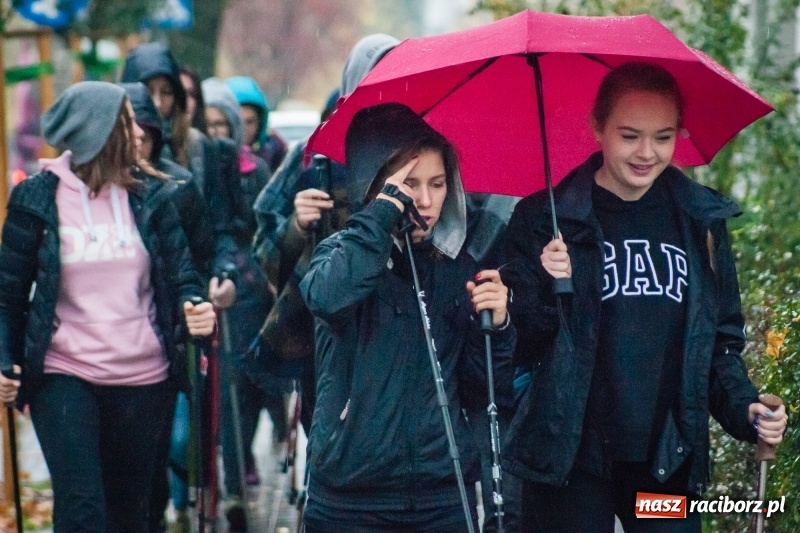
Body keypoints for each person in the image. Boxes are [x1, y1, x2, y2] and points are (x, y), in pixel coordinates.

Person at [501, 62, 788, 532]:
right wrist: (540, 280)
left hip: (663, 467)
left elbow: (718, 342)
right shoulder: (546, 218)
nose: (647, 153)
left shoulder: (700, 221)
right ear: (598, 126)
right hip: (570, 467)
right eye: (630, 135)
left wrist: (745, 408)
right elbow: (518, 347)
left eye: (664, 136)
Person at [0, 81, 216, 532]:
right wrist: (4, 360)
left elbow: (183, 276)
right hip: (64, 373)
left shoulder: (152, 196)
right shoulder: (36, 199)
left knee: (129, 516)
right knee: (83, 510)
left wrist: (196, 305)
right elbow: (9, 294)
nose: (138, 133)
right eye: (126, 123)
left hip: (143, 378)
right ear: (96, 133)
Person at [299, 102, 515, 532]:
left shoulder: (458, 267)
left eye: (438, 183)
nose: (428, 200)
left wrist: (499, 326)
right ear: (377, 187)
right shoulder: (341, 253)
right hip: (349, 499)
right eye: (410, 184)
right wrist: (381, 216)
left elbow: (481, 388)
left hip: (440, 494)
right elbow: (326, 296)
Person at [251, 33, 400, 437]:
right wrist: (297, 227)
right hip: (328, 334)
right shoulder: (315, 155)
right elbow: (263, 246)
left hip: (398, 325)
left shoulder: (420, 153)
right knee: (331, 438)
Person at [202, 78, 283, 520]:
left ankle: (234, 481)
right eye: (207, 123)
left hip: (248, 300)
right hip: (208, 296)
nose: (216, 132)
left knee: (241, 388)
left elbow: (259, 234)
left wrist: (250, 279)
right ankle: (210, 482)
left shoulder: (255, 172)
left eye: (223, 123)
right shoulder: (193, 169)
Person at [225, 75, 288, 173]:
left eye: (249, 122)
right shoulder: (214, 157)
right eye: (238, 122)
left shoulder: (275, 151)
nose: (244, 128)